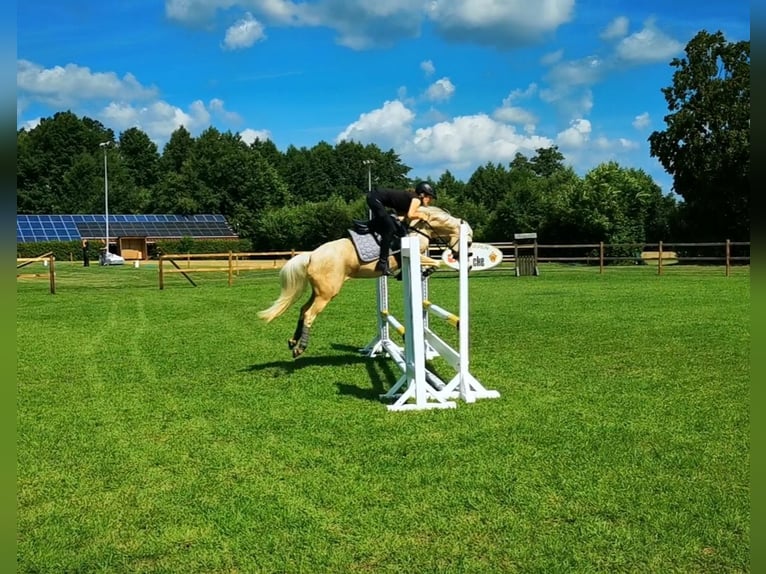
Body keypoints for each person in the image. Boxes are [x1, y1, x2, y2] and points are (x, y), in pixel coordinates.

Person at [366, 181, 437, 275]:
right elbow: (411, 214)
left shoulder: (412, 199)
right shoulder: (416, 200)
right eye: (429, 197)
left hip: (375, 198)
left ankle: (402, 267)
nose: (430, 200)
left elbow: (401, 217)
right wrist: (421, 215)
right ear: (422, 194)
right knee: (390, 229)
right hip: (375, 198)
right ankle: (382, 263)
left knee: (400, 230)